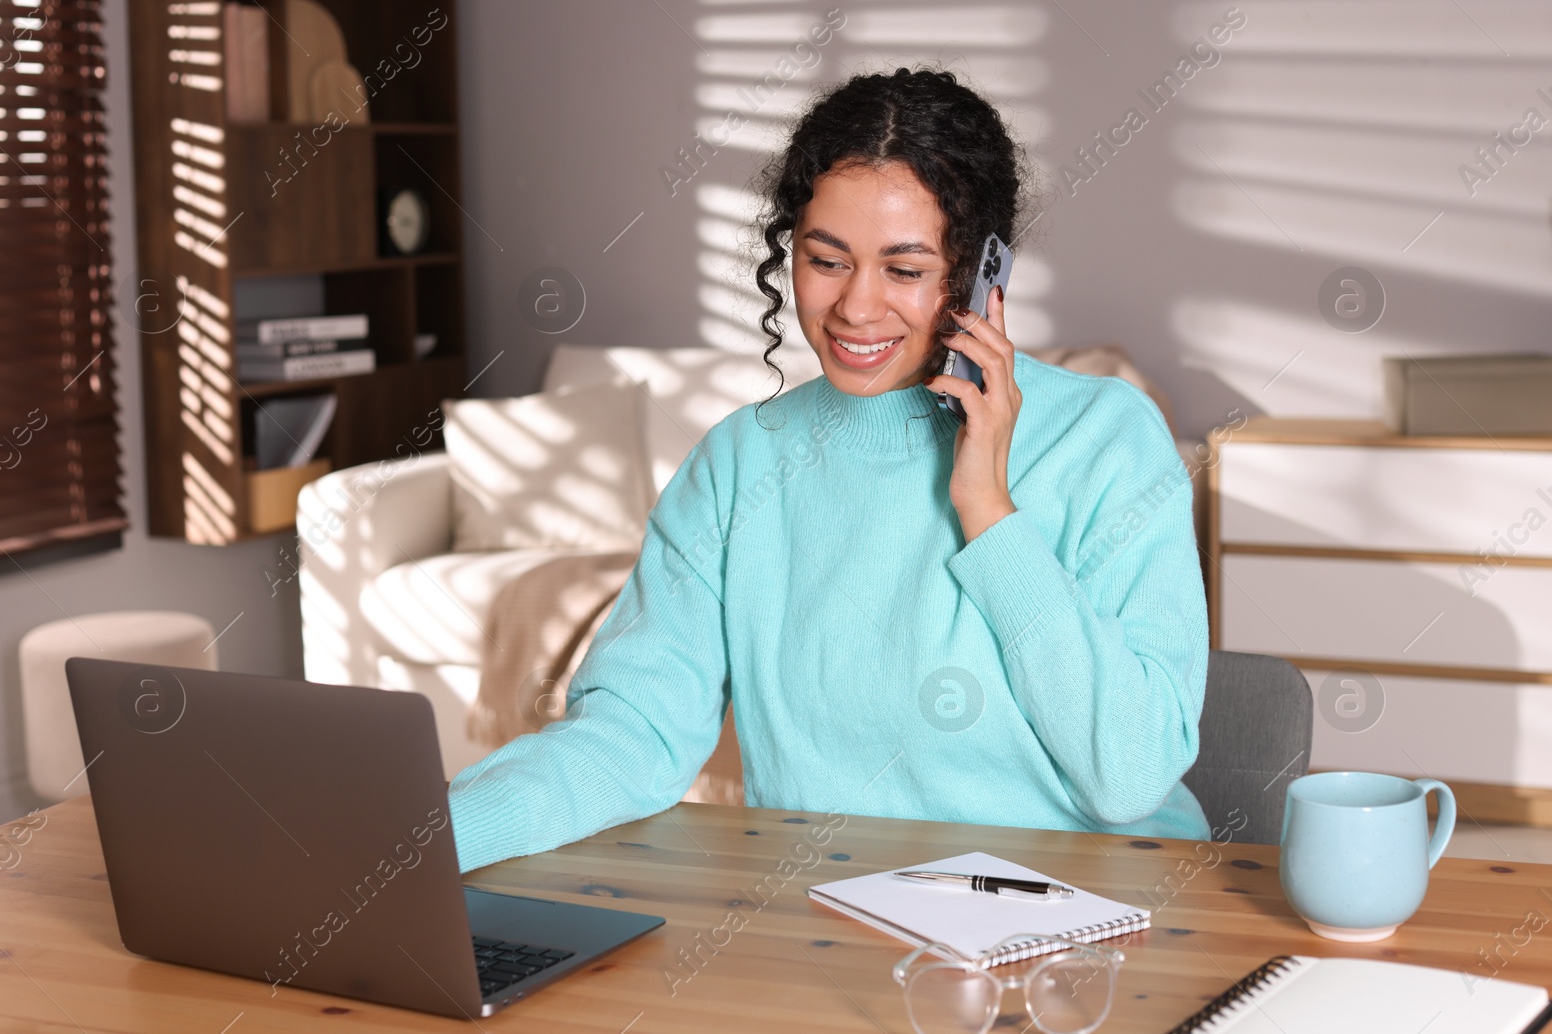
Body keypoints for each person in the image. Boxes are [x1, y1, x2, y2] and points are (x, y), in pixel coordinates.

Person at [448, 67, 1209, 873]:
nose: (855, 307)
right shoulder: (740, 464)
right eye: (828, 259)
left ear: (982, 273)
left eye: (906, 269)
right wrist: (419, 844)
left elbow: (1131, 773)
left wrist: (989, 509)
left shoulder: (1105, 437)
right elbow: (630, 734)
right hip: (838, 916)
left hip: (1089, 923)